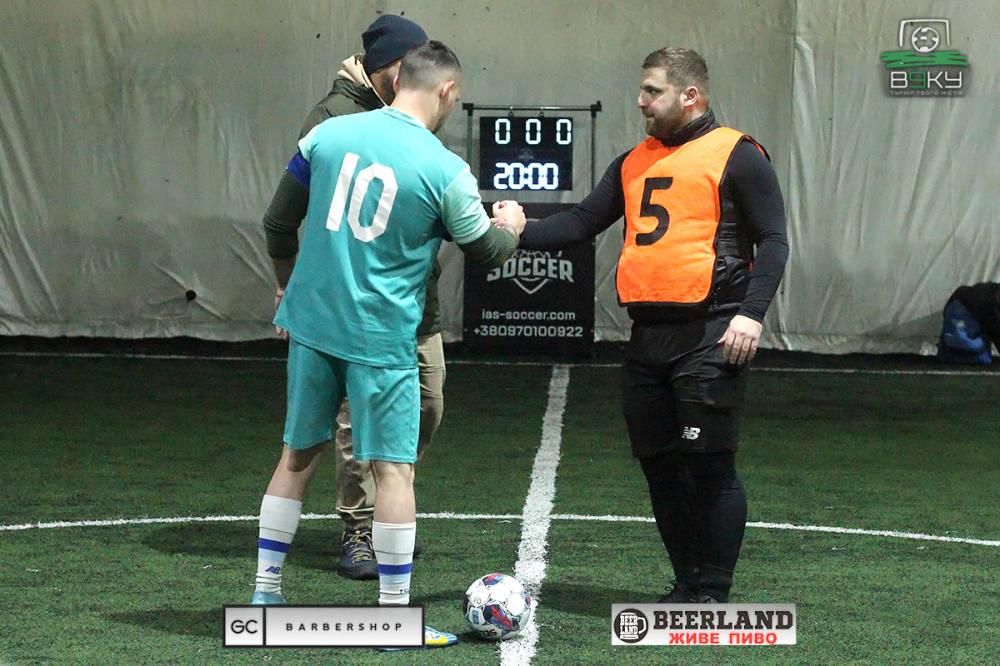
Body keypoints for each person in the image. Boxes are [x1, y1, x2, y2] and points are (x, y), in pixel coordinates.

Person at [249, 41, 525, 649]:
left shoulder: (326, 135)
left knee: (296, 458)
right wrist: (512, 225)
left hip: (313, 326)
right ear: (447, 91)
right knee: (394, 471)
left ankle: (265, 597)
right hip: (380, 335)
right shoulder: (445, 170)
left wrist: (289, 288)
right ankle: (393, 617)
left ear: (398, 80)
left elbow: (277, 221)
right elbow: (486, 251)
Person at [508, 47, 789, 603]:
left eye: (652, 91)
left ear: (690, 95)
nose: (640, 101)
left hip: (711, 332)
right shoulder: (633, 161)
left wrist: (751, 314)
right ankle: (687, 584)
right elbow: (582, 221)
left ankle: (712, 593)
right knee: (660, 468)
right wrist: (516, 232)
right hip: (647, 338)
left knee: (709, 467)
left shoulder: (737, 154)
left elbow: (774, 240)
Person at [262, 15, 441, 580]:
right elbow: (282, 218)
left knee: (428, 404)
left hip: (412, 301)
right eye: (407, 66)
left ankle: (387, 513)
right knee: (346, 424)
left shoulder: (408, 109)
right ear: (386, 68)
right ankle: (361, 530)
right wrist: (289, 286)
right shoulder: (333, 121)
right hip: (355, 311)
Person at [937, 281, 999, 364]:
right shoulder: (989, 305)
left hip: (958, 316)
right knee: (971, 346)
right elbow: (995, 331)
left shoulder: (985, 292)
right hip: (963, 320)